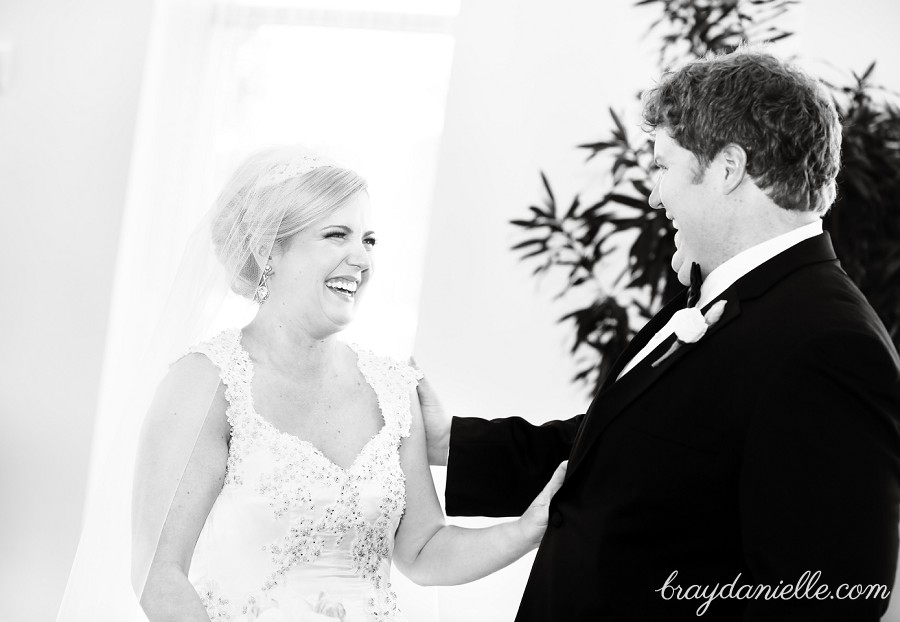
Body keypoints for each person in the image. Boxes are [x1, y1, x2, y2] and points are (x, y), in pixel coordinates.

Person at [418, 48, 900, 621]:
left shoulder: (829, 345)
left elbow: (824, 600)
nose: (654, 195)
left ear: (727, 169)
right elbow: (614, 452)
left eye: (664, 167)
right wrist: (450, 442)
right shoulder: (724, 296)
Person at [58, 147, 566, 622]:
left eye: (369, 240)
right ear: (267, 250)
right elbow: (157, 573)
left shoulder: (393, 387)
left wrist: (524, 531)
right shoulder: (206, 383)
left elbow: (423, 551)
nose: (362, 260)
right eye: (336, 235)